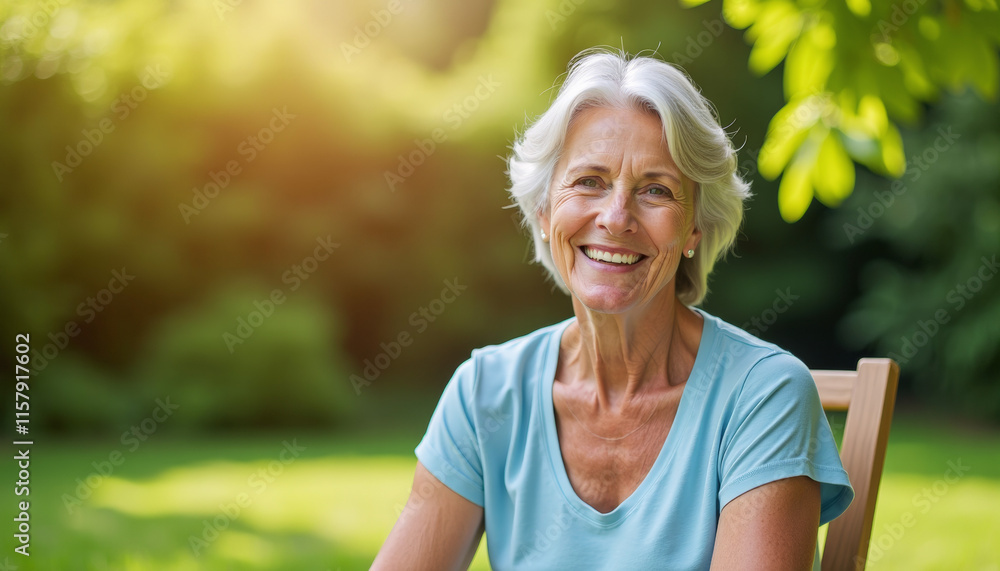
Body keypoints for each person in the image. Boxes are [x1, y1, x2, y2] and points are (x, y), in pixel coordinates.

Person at [372, 49, 852, 570]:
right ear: (543, 211)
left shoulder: (764, 397)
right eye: (589, 181)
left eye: (655, 190)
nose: (616, 217)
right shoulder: (485, 393)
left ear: (694, 226)